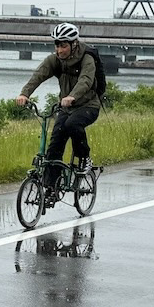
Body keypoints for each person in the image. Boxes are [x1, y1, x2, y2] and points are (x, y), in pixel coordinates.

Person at [16, 23, 103, 188]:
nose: (60, 50)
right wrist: (24, 93)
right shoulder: (55, 60)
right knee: (55, 144)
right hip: (66, 108)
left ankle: (84, 159)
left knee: (72, 125)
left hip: (88, 106)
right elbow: (38, 75)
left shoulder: (87, 58)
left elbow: (86, 80)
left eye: (63, 45)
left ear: (73, 44)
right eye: (57, 45)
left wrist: (72, 96)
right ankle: (50, 187)